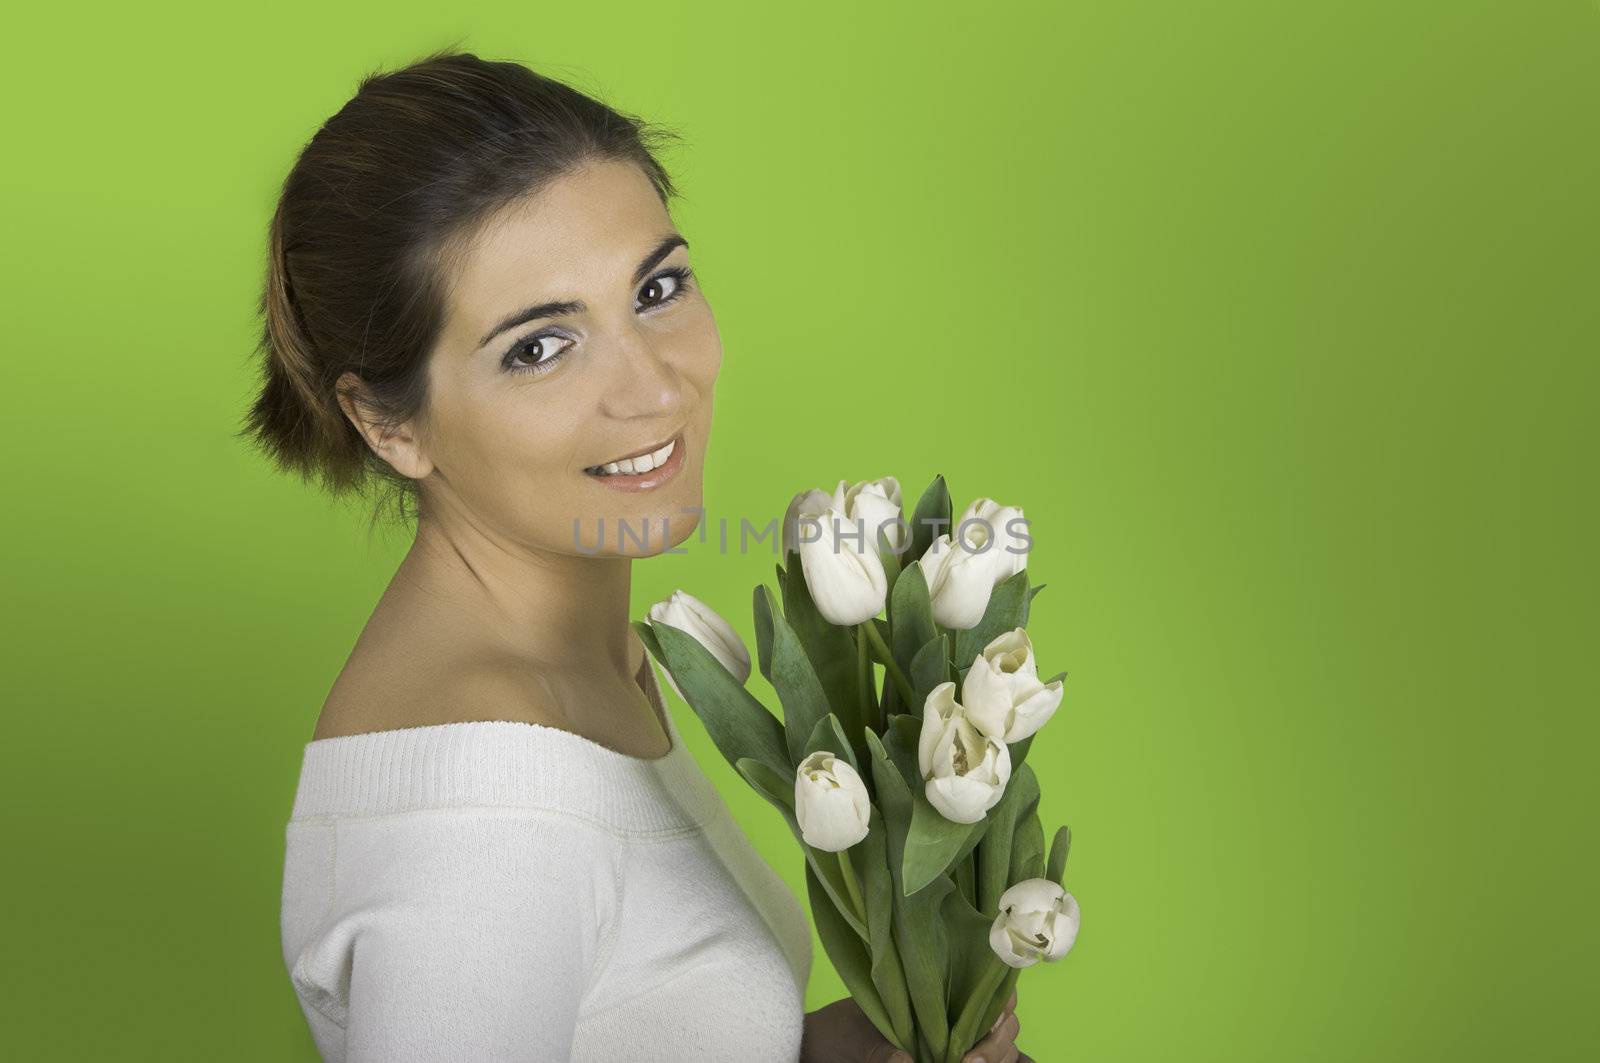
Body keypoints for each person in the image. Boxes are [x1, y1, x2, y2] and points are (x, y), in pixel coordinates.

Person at [246, 48, 1027, 1062]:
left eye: (656, 288)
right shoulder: (478, 819)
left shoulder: (592, 666)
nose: (655, 388)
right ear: (389, 426)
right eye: (539, 346)